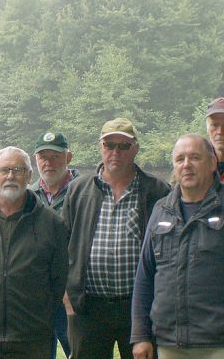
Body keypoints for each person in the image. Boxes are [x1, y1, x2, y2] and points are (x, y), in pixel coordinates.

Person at [131, 134, 224, 359]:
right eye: (180, 159)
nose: (186, 165)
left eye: (194, 157)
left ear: (212, 162)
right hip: (170, 342)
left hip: (223, 342)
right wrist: (140, 334)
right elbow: (145, 275)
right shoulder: (160, 210)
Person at [62, 118, 170, 359]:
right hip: (88, 307)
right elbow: (62, 245)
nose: (115, 152)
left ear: (136, 148)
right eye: (109, 145)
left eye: (123, 146)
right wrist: (67, 297)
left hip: (139, 307)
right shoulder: (79, 190)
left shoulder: (157, 190)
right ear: (100, 147)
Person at [0, 146, 68, 359]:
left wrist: (39, 318)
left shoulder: (51, 223)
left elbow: (59, 281)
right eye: (4, 170)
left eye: (18, 170)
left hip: (32, 340)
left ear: (29, 175)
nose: (10, 176)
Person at [29, 131, 78, 359]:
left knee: (78, 350)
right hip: (37, 294)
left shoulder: (85, 191)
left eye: (55, 156)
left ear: (68, 157)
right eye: (43, 157)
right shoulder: (27, 195)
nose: (48, 163)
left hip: (74, 293)